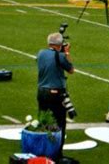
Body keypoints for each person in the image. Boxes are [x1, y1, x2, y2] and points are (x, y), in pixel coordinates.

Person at [36, 31, 75, 163]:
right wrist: (67, 53)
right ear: (60, 45)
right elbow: (71, 70)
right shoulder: (60, 56)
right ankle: (56, 154)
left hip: (41, 92)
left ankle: (42, 151)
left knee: (44, 121)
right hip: (55, 94)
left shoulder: (41, 53)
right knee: (59, 124)